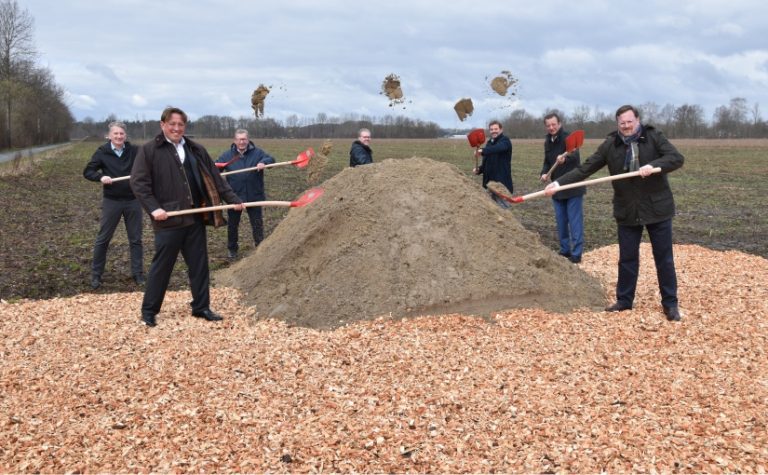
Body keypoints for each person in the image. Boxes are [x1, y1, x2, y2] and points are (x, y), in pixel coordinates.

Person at [544, 105, 684, 322]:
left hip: (657, 208)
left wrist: (654, 165)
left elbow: (676, 158)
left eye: (630, 122)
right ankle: (624, 300)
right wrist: (558, 183)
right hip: (627, 208)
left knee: (663, 258)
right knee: (627, 258)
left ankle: (670, 304)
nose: (626, 126)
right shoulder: (611, 144)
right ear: (617, 124)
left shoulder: (653, 137)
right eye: (622, 123)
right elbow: (585, 168)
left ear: (637, 120)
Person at [130, 106, 244, 327]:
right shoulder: (149, 151)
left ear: (185, 127)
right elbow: (139, 183)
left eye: (180, 124)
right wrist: (154, 209)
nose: (176, 128)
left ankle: (201, 307)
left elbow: (216, 179)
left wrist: (234, 200)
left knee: (199, 266)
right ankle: (149, 311)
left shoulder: (195, 149)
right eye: (171, 124)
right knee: (162, 267)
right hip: (169, 220)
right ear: (162, 125)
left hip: (195, 218)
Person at [82, 121, 144, 289]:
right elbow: (88, 172)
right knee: (103, 239)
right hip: (112, 201)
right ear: (109, 135)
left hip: (133, 200)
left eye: (121, 134)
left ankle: (138, 274)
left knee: (136, 240)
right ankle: (96, 275)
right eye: (115, 134)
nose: (118, 137)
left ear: (125, 135)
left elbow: (149, 164)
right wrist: (100, 177)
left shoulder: (135, 151)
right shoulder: (102, 152)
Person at [216, 129, 275, 259]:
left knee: (257, 224)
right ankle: (232, 249)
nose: (241, 142)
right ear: (235, 140)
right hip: (235, 197)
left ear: (248, 140)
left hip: (254, 196)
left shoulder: (258, 153)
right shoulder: (227, 155)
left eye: (244, 139)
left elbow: (271, 159)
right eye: (239, 139)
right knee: (233, 226)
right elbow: (216, 167)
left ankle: (260, 247)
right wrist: (215, 168)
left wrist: (264, 163)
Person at [540, 113, 585, 263]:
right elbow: (547, 161)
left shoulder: (568, 137)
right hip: (556, 188)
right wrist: (544, 173)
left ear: (559, 123)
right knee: (561, 221)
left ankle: (577, 253)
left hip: (572, 187)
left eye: (554, 124)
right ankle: (565, 250)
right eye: (548, 125)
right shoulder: (548, 141)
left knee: (574, 221)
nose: (551, 128)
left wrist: (565, 158)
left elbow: (575, 155)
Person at [473, 120, 513, 207]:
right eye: (491, 129)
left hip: (501, 186)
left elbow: (497, 148)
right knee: (491, 214)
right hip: (489, 186)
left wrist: (482, 150)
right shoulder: (489, 143)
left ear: (501, 129)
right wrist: (479, 170)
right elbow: (487, 161)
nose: (493, 131)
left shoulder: (505, 141)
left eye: (496, 129)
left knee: (503, 213)